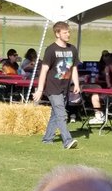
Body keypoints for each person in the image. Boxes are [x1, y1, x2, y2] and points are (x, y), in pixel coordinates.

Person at [32, 21, 80, 150]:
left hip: (64, 87)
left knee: (55, 114)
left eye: (68, 32)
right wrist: (40, 90)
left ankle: (47, 139)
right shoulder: (51, 50)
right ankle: (67, 141)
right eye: (65, 32)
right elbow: (44, 70)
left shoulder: (72, 49)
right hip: (52, 88)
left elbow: (74, 68)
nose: (68, 34)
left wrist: (76, 83)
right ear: (57, 34)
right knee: (62, 114)